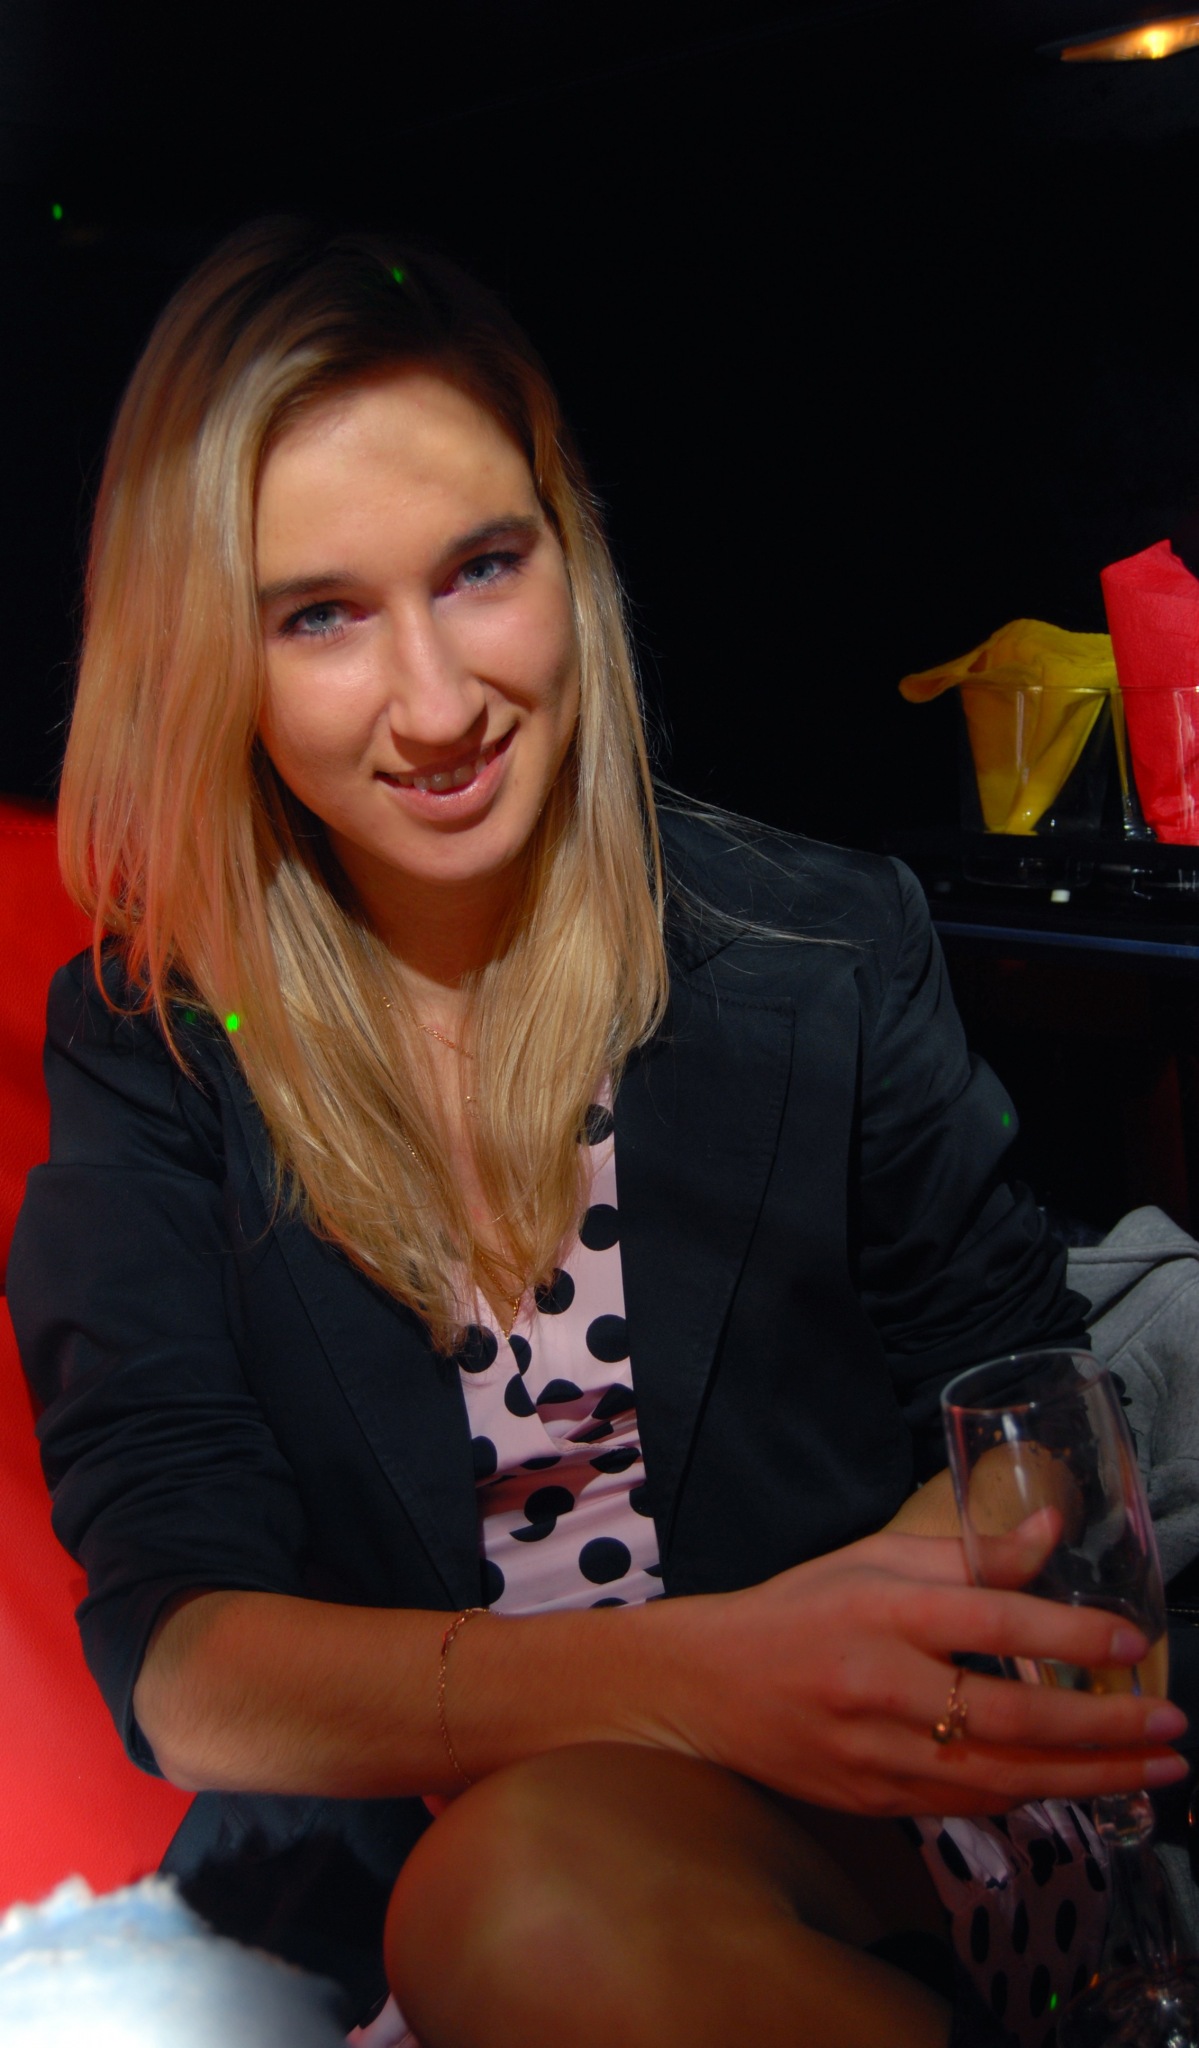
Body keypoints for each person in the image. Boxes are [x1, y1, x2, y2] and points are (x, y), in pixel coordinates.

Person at [8, 218, 1189, 2048]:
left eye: (481, 568)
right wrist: (700, 1675)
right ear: (204, 656)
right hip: (453, 1843)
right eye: (320, 615)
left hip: (889, 1799)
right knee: (504, 1890)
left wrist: (884, 1614)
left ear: (569, 550)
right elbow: (187, 1656)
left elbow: (1027, 1403)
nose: (436, 705)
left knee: (526, 1900)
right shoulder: (154, 1046)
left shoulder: (817, 946)